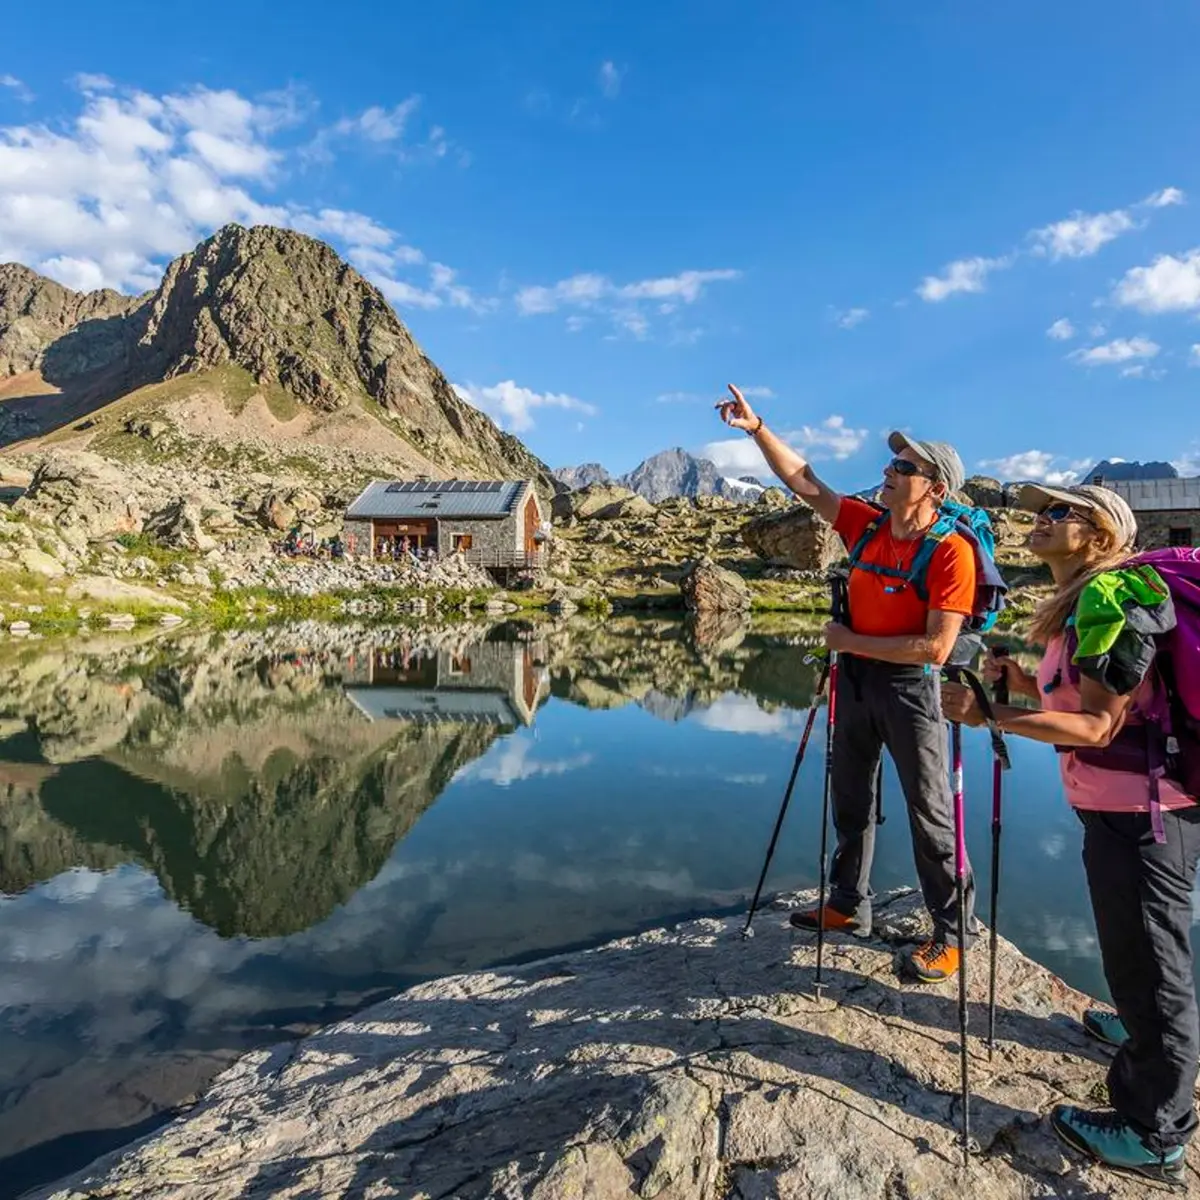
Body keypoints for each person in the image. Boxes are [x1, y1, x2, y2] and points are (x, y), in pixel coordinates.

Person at [941, 484, 1195, 1183]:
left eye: (1059, 512)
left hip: (1141, 814)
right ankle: (1139, 1027)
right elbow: (1077, 705)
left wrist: (988, 717)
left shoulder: (1106, 599)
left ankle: (1155, 1131)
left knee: (1151, 955)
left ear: (1100, 532)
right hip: (1137, 802)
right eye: (1039, 511)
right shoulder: (1080, 605)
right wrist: (1018, 685)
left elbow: (1098, 727)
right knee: (1142, 947)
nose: (1040, 520)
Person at [716, 384, 978, 982]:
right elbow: (806, 483)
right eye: (890, 462)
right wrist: (757, 428)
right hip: (855, 683)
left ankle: (952, 934)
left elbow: (936, 647)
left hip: (911, 689)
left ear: (934, 487)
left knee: (930, 812)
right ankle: (846, 905)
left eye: (902, 466)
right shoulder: (865, 526)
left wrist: (846, 641)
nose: (887, 471)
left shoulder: (951, 553)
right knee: (851, 799)